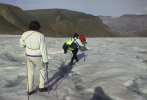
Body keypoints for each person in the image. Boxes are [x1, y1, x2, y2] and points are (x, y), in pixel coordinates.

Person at [20, 21, 48, 95]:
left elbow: (22, 45)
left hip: (28, 56)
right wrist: (45, 60)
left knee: (30, 72)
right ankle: (41, 87)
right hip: (38, 56)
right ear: (38, 27)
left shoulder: (24, 34)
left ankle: (29, 90)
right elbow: (43, 48)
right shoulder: (40, 35)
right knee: (42, 69)